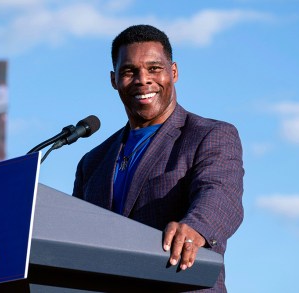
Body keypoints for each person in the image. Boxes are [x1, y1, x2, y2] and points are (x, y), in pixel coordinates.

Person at [73, 24, 244, 292]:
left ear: (173, 73)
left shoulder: (209, 135)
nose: (143, 79)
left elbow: (220, 194)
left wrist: (195, 226)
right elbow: (73, 237)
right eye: (129, 71)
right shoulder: (92, 163)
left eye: (154, 68)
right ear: (114, 80)